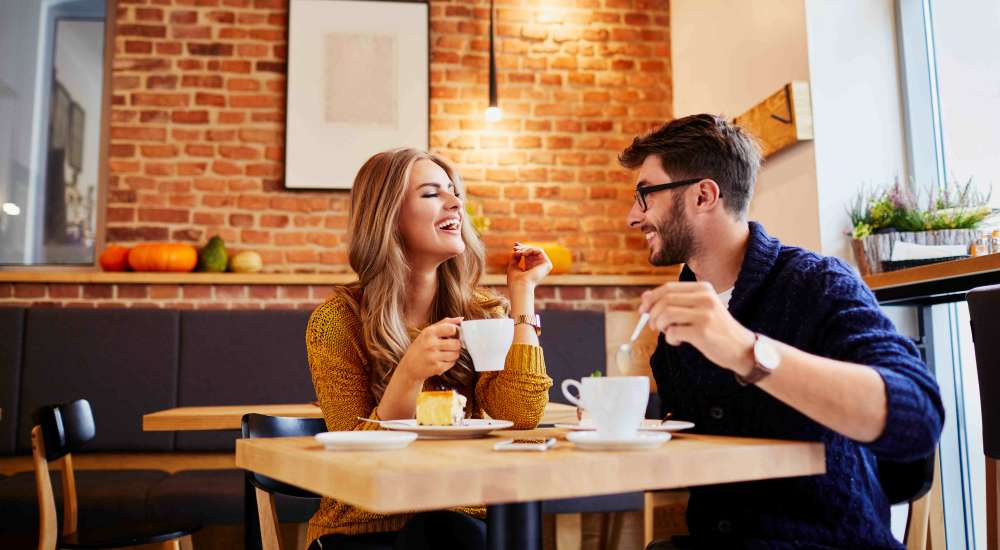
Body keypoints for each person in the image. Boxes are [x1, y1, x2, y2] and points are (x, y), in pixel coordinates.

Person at [621, 114, 944, 549]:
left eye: (645, 195)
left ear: (703, 195)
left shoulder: (818, 283)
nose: (632, 217)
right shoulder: (680, 318)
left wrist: (747, 351)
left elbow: (919, 417)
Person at [305, 148, 553, 549]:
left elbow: (521, 415)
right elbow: (357, 457)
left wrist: (523, 294)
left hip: (463, 516)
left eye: (453, 192)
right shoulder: (338, 322)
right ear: (389, 217)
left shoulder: (483, 312)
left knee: (455, 530)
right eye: (431, 193)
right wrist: (409, 373)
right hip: (365, 529)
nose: (455, 202)